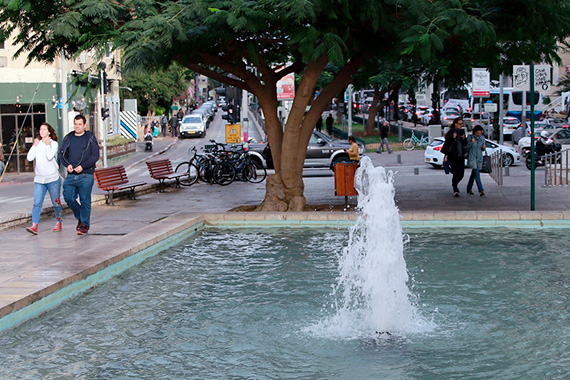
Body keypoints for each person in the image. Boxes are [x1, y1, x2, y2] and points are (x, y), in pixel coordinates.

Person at [58, 114, 100, 235]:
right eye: (75, 124)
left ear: (84, 125)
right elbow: (62, 154)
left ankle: (84, 225)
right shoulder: (69, 138)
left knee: (85, 200)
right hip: (71, 175)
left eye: (79, 124)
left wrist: (83, 166)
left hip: (86, 174)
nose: (77, 127)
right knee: (68, 197)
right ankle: (80, 217)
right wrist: (67, 165)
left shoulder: (90, 137)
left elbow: (95, 155)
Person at [25, 123, 62, 234]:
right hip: (39, 179)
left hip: (52, 178)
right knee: (37, 202)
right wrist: (34, 145)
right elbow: (29, 157)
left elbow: (50, 156)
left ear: (49, 132)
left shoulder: (53, 144)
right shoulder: (38, 144)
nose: (41, 131)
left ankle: (59, 221)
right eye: (40, 129)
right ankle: (34, 225)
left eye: (44, 129)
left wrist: (47, 145)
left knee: (56, 202)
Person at [441, 117, 468, 197]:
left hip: (460, 155)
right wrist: (453, 138)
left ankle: (455, 183)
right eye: (460, 124)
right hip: (453, 155)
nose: (461, 125)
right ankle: (455, 188)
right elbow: (447, 144)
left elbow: (465, 144)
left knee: (461, 173)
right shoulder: (450, 133)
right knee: (456, 171)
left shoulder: (462, 132)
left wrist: (463, 139)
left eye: (462, 124)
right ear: (455, 124)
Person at [466, 125, 487, 197]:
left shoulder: (482, 138)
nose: (479, 134)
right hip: (472, 157)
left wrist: (483, 148)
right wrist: (471, 143)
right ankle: (481, 190)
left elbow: (482, 148)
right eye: (477, 132)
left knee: (474, 173)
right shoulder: (470, 137)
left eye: (480, 132)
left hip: (479, 157)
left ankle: (469, 188)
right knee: (477, 173)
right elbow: (466, 147)